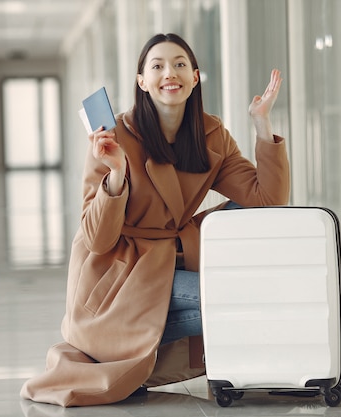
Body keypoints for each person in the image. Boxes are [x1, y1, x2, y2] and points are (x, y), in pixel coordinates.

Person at [20, 33, 290, 407]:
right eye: (158, 66)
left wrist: (262, 124)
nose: (170, 73)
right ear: (142, 81)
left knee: (240, 252)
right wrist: (115, 174)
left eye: (180, 64)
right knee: (232, 299)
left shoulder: (211, 134)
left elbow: (267, 199)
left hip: (173, 256)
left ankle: (130, 351)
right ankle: (113, 351)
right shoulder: (113, 136)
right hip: (122, 270)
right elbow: (97, 239)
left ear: (195, 77)